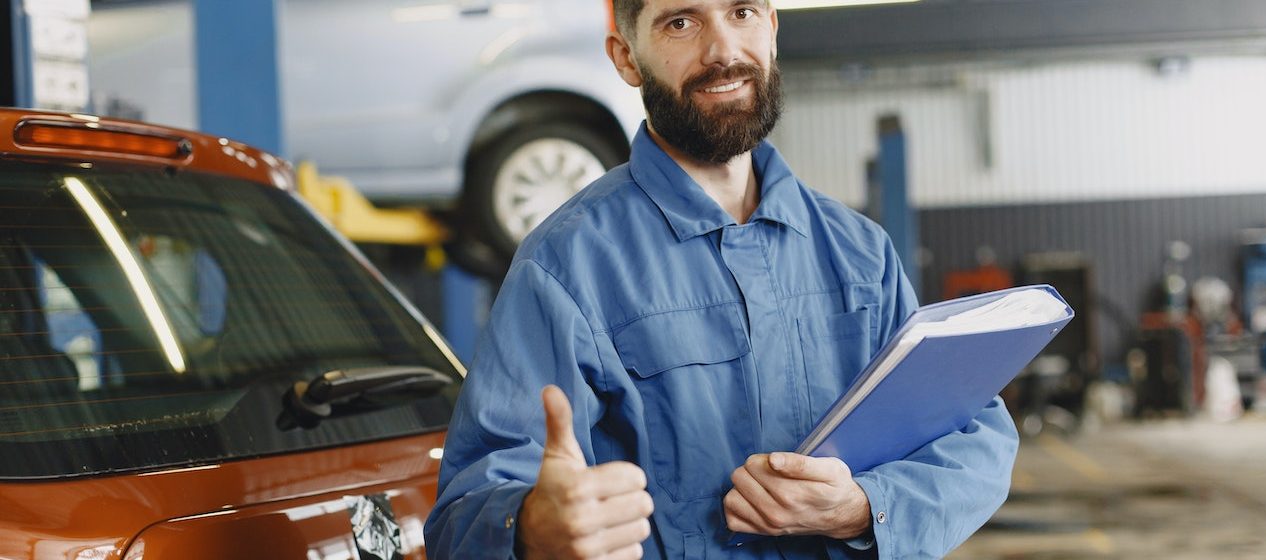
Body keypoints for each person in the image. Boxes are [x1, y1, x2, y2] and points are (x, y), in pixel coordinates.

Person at [423, 0, 1020, 557]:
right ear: (626, 57)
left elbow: (974, 436)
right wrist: (529, 527)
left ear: (772, 29)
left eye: (742, 11)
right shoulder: (565, 265)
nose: (722, 51)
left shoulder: (860, 251)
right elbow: (463, 514)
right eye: (680, 22)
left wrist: (865, 506)